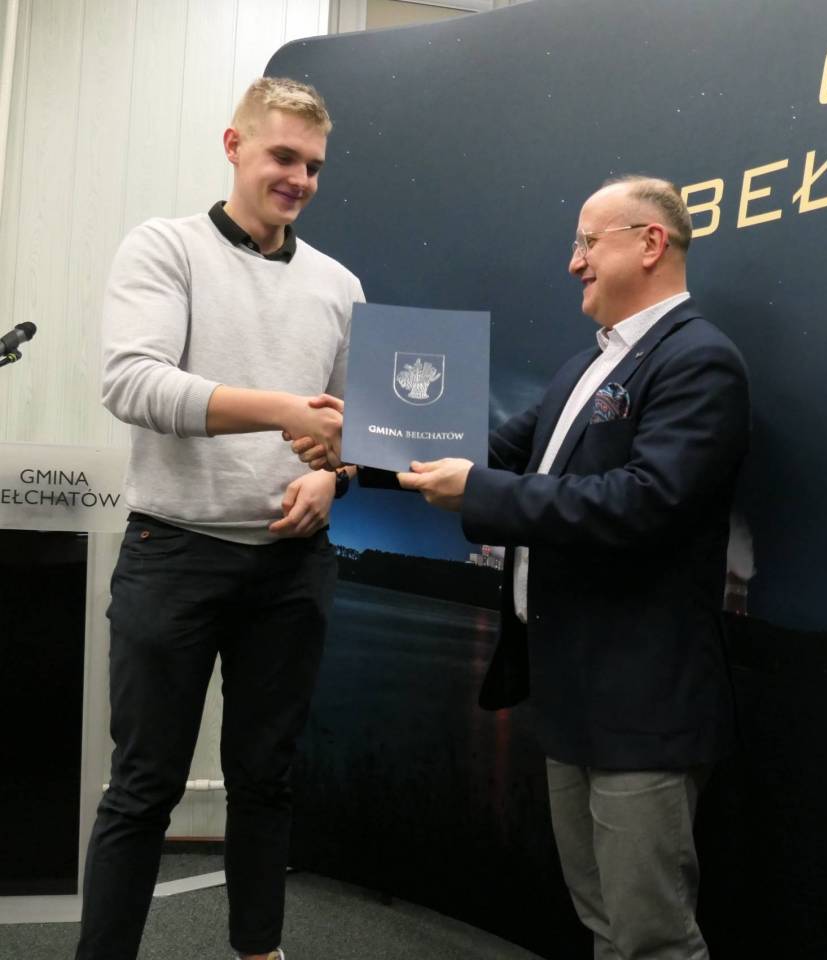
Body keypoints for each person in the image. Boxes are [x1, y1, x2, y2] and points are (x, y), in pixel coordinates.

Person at [395, 177, 749, 959]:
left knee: (651, 935)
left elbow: (644, 502)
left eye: (588, 242)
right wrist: (363, 448)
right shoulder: (585, 368)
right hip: (572, 693)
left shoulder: (699, 362)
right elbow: (484, 452)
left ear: (650, 243)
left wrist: (477, 492)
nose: (573, 262)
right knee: (602, 920)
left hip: (641, 704)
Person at [77, 77, 363, 960]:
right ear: (234, 146)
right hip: (173, 552)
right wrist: (282, 410)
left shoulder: (339, 284)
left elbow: (356, 435)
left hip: (293, 568)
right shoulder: (165, 248)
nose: (300, 179)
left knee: (266, 781)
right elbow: (135, 384)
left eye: (314, 166)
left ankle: (258, 952)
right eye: (283, 156)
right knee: (144, 787)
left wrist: (334, 481)